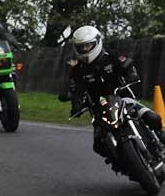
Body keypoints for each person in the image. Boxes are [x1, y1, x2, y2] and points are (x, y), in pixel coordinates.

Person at [60, 25, 164, 165]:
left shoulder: (111, 55)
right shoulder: (77, 70)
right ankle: (121, 163)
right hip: (99, 110)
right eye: (81, 47)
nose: (85, 50)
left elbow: (126, 63)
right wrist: (75, 103)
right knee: (99, 146)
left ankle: (160, 139)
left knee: (153, 118)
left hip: (123, 99)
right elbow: (75, 89)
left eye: (88, 46)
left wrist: (131, 73)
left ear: (97, 42)